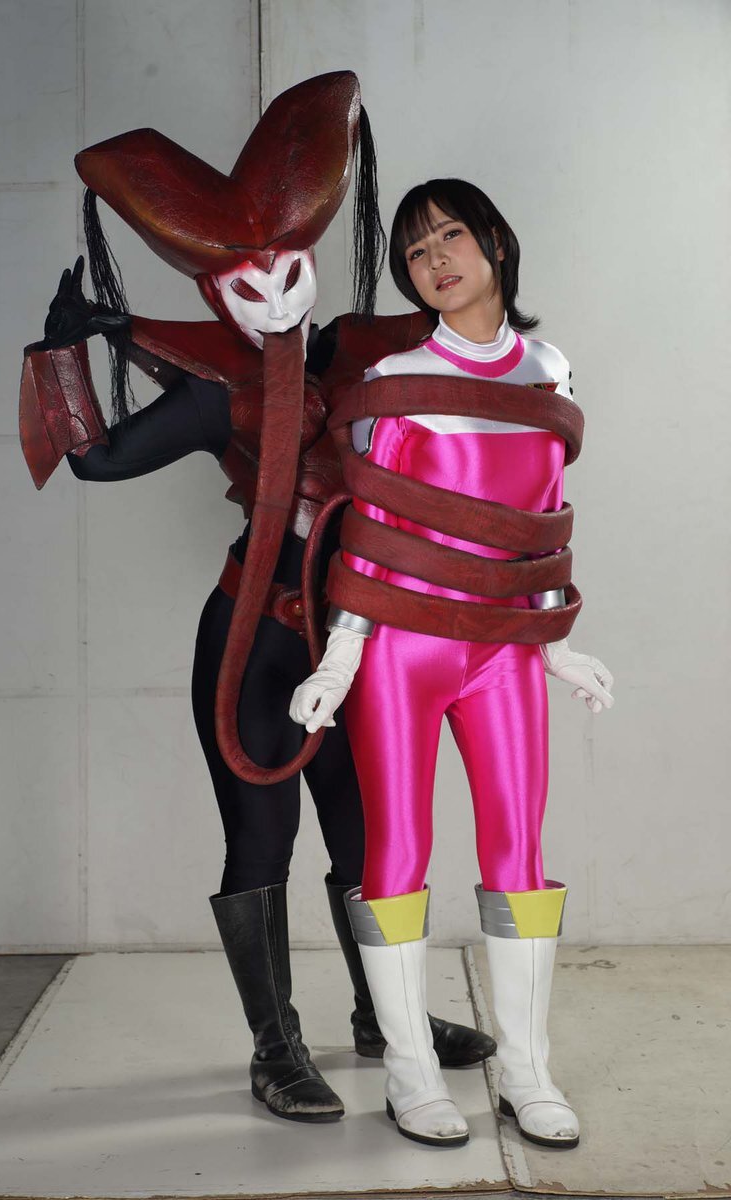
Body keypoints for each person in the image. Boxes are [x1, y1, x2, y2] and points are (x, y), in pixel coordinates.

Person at [19, 90, 494, 1130]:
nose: (273, 295)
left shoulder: (369, 348)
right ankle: (275, 1050)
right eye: (245, 282)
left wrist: (470, 266)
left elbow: (466, 349)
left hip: (355, 641)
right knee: (260, 841)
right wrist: (60, 354)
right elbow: (96, 461)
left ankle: (385, 1017)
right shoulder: (214, 387)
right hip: (255, 643)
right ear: (216, 290)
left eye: (286, 271)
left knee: (369, 840)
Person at [291, 178, 614, 1147]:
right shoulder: (396, 380)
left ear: (495, 244)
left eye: (450, 237)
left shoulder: (548, 370)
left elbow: (539, 527)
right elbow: (371, 533)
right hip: (401, 651)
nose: (435, 260)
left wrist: (557, 643)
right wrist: (340, 658)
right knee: (396, 853)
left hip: (504, 653)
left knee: (519, 853)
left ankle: (526, 1072)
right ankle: (408, 1075)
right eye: (415, 250)